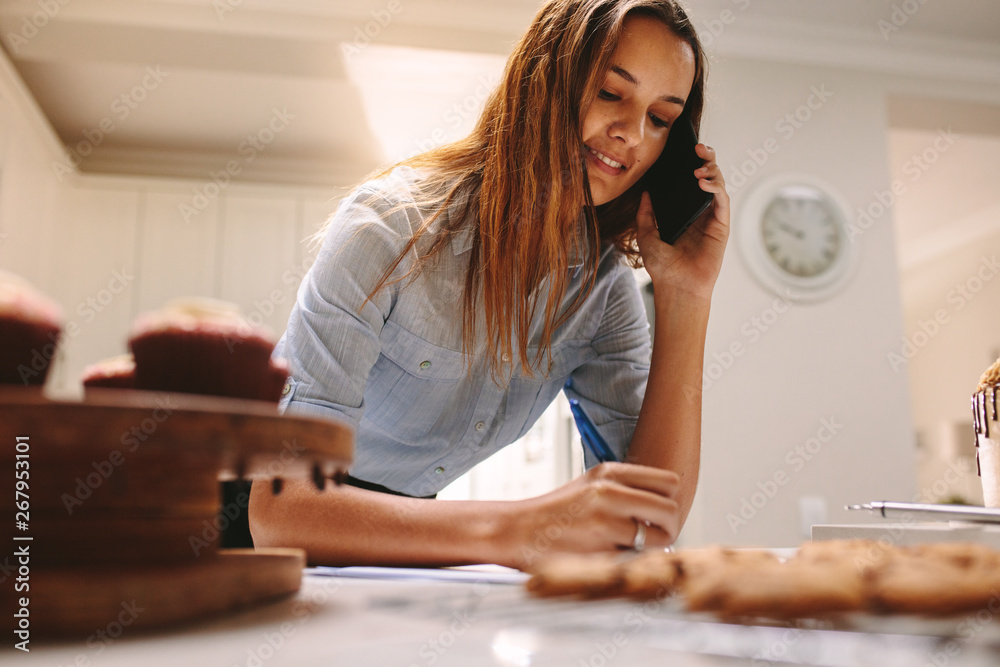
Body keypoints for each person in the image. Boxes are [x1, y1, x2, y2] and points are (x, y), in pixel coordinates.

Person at [249, 0, 730, 569]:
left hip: (389, 538)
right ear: (545, 81)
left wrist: (687, 294)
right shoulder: (387, 230)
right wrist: (516, 528)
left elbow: (648, 523)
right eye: (609, 92)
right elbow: (278, 510)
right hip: (234, 530)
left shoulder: (602, 292)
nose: (630, 134)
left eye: (660, 119)